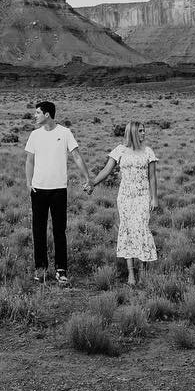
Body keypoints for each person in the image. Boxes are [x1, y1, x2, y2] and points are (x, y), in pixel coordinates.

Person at [24, 100, 91, 286]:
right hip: (38, 190)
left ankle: (61, 270)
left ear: (47, 115)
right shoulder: (34, 135)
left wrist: (88, 178)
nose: (35, 116)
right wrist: (29, 184)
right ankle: (41, 268)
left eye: (37, 113)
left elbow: (76, 155)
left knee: (59, 231)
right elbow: (29, 160)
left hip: (59, 190)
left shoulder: (65, 133)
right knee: (38, 230)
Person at [89, 121, 159, 287]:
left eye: (144, 130)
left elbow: (152, 177)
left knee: (142, 229)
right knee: (127, 230)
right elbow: (106, 171)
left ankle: (143, 272)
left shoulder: (148, 151)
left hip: (142, 196)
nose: (144, 133)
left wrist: (154, 198)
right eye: (141, 131)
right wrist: (93, 183)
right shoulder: (120, 150)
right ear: (133, 132)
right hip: (125, 197)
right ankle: (131, 275)